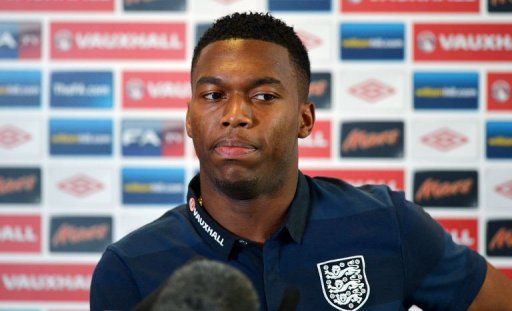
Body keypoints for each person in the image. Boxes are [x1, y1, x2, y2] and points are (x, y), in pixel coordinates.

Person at [90, 12, 512, 310]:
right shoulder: (130, 267)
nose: (235, 114)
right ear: (189, 119)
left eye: (264, 96)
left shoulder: (388, 224)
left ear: (305, 119)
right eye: (214, 95)